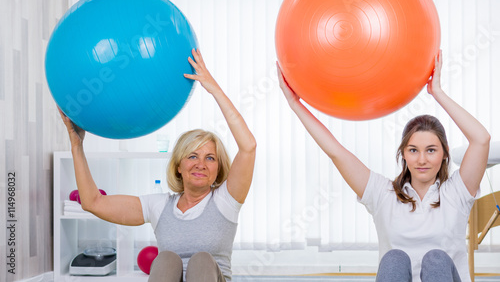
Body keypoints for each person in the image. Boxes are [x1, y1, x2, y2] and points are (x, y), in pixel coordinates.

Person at [277, 50, 490, 282]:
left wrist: (437, 92)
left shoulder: (457, 192)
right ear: (403, 155)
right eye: (413, 150)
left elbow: (481, 139)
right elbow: (336, 152)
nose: (421, 159)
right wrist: (294, 103)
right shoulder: (383, 194)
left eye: (431, 150)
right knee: (394, 259)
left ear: (444, 155)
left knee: (436, 259)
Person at [60, 49, 257, 282]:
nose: (201, 164)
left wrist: (212, 87)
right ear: (178, 167)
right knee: (165, 259)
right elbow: (93, 202)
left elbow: (248, 147)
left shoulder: (226, 201)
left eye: (210, 158)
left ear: (218, 169)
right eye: (193, 156)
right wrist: (76, 145)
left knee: (202, 259)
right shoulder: (159, 205)